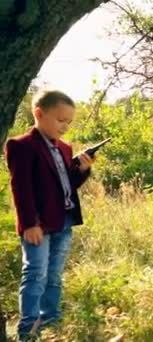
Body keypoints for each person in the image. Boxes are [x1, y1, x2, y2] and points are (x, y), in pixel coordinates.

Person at [4, 90, 95, 340]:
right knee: (35, 274)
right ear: (38, 113)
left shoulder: (65, 148)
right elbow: (20, 188)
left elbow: (65, 185)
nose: (65, 126)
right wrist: (29, 224)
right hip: (38, 225)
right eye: (60, 120)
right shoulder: (20, 145)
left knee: (54, 275)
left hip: (63, 221)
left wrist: (83, 171)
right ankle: (28, 329)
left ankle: (51, 320)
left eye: (69, 122)